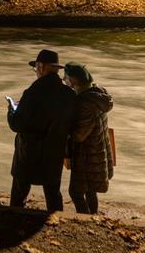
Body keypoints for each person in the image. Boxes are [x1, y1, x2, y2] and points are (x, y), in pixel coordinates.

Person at [7, 48, 75, 212]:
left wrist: (11, 109)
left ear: (41, 67)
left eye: (36, 67)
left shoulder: (32, 93)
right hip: (54, 150)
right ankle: (57, 218)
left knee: (19, 190)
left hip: (29, 151)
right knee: (52, 192)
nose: (36, 71)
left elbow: (17, 124)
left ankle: (13, 216)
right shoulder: (68, 94)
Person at [62, 62, 114, 215]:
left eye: (65, 78)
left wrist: (65, 127)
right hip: (98, 151)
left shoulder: (84, 103)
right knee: (91, 191)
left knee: (76, 193)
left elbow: (79, 135)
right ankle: (93, 216)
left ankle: (85, 220)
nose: (64, 80)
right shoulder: (98, 94)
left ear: (73, 81)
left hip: (87, 156)